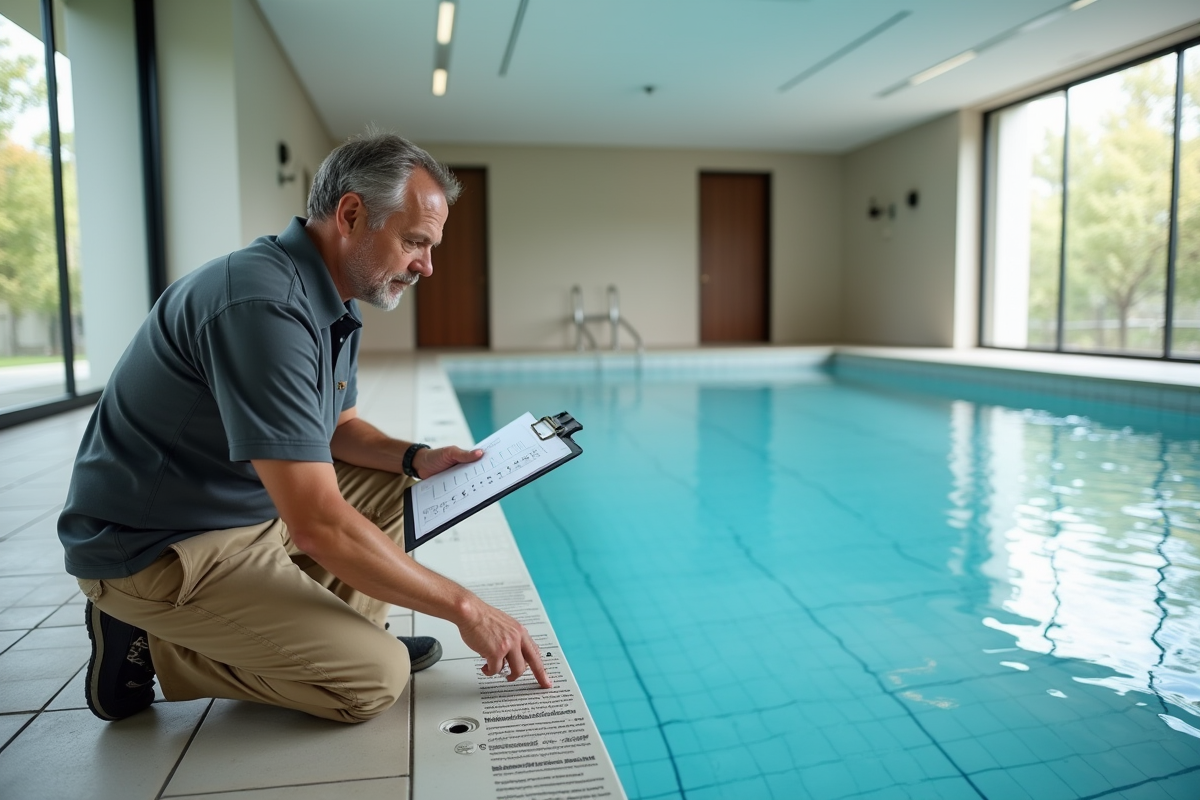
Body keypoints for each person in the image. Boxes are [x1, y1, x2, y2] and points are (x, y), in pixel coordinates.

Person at [57, 132, 550, 724]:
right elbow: (317, 523)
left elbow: (340, 430)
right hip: (162, 545)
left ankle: (322, 638)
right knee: (372, 680)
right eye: (415, 241)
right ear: (351, 214)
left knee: (405, 491)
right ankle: (151, 642)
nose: (427, 265)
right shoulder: (263, 305)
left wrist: (418, 457)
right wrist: (467, 607)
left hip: (245, 508)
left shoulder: (334, 296)